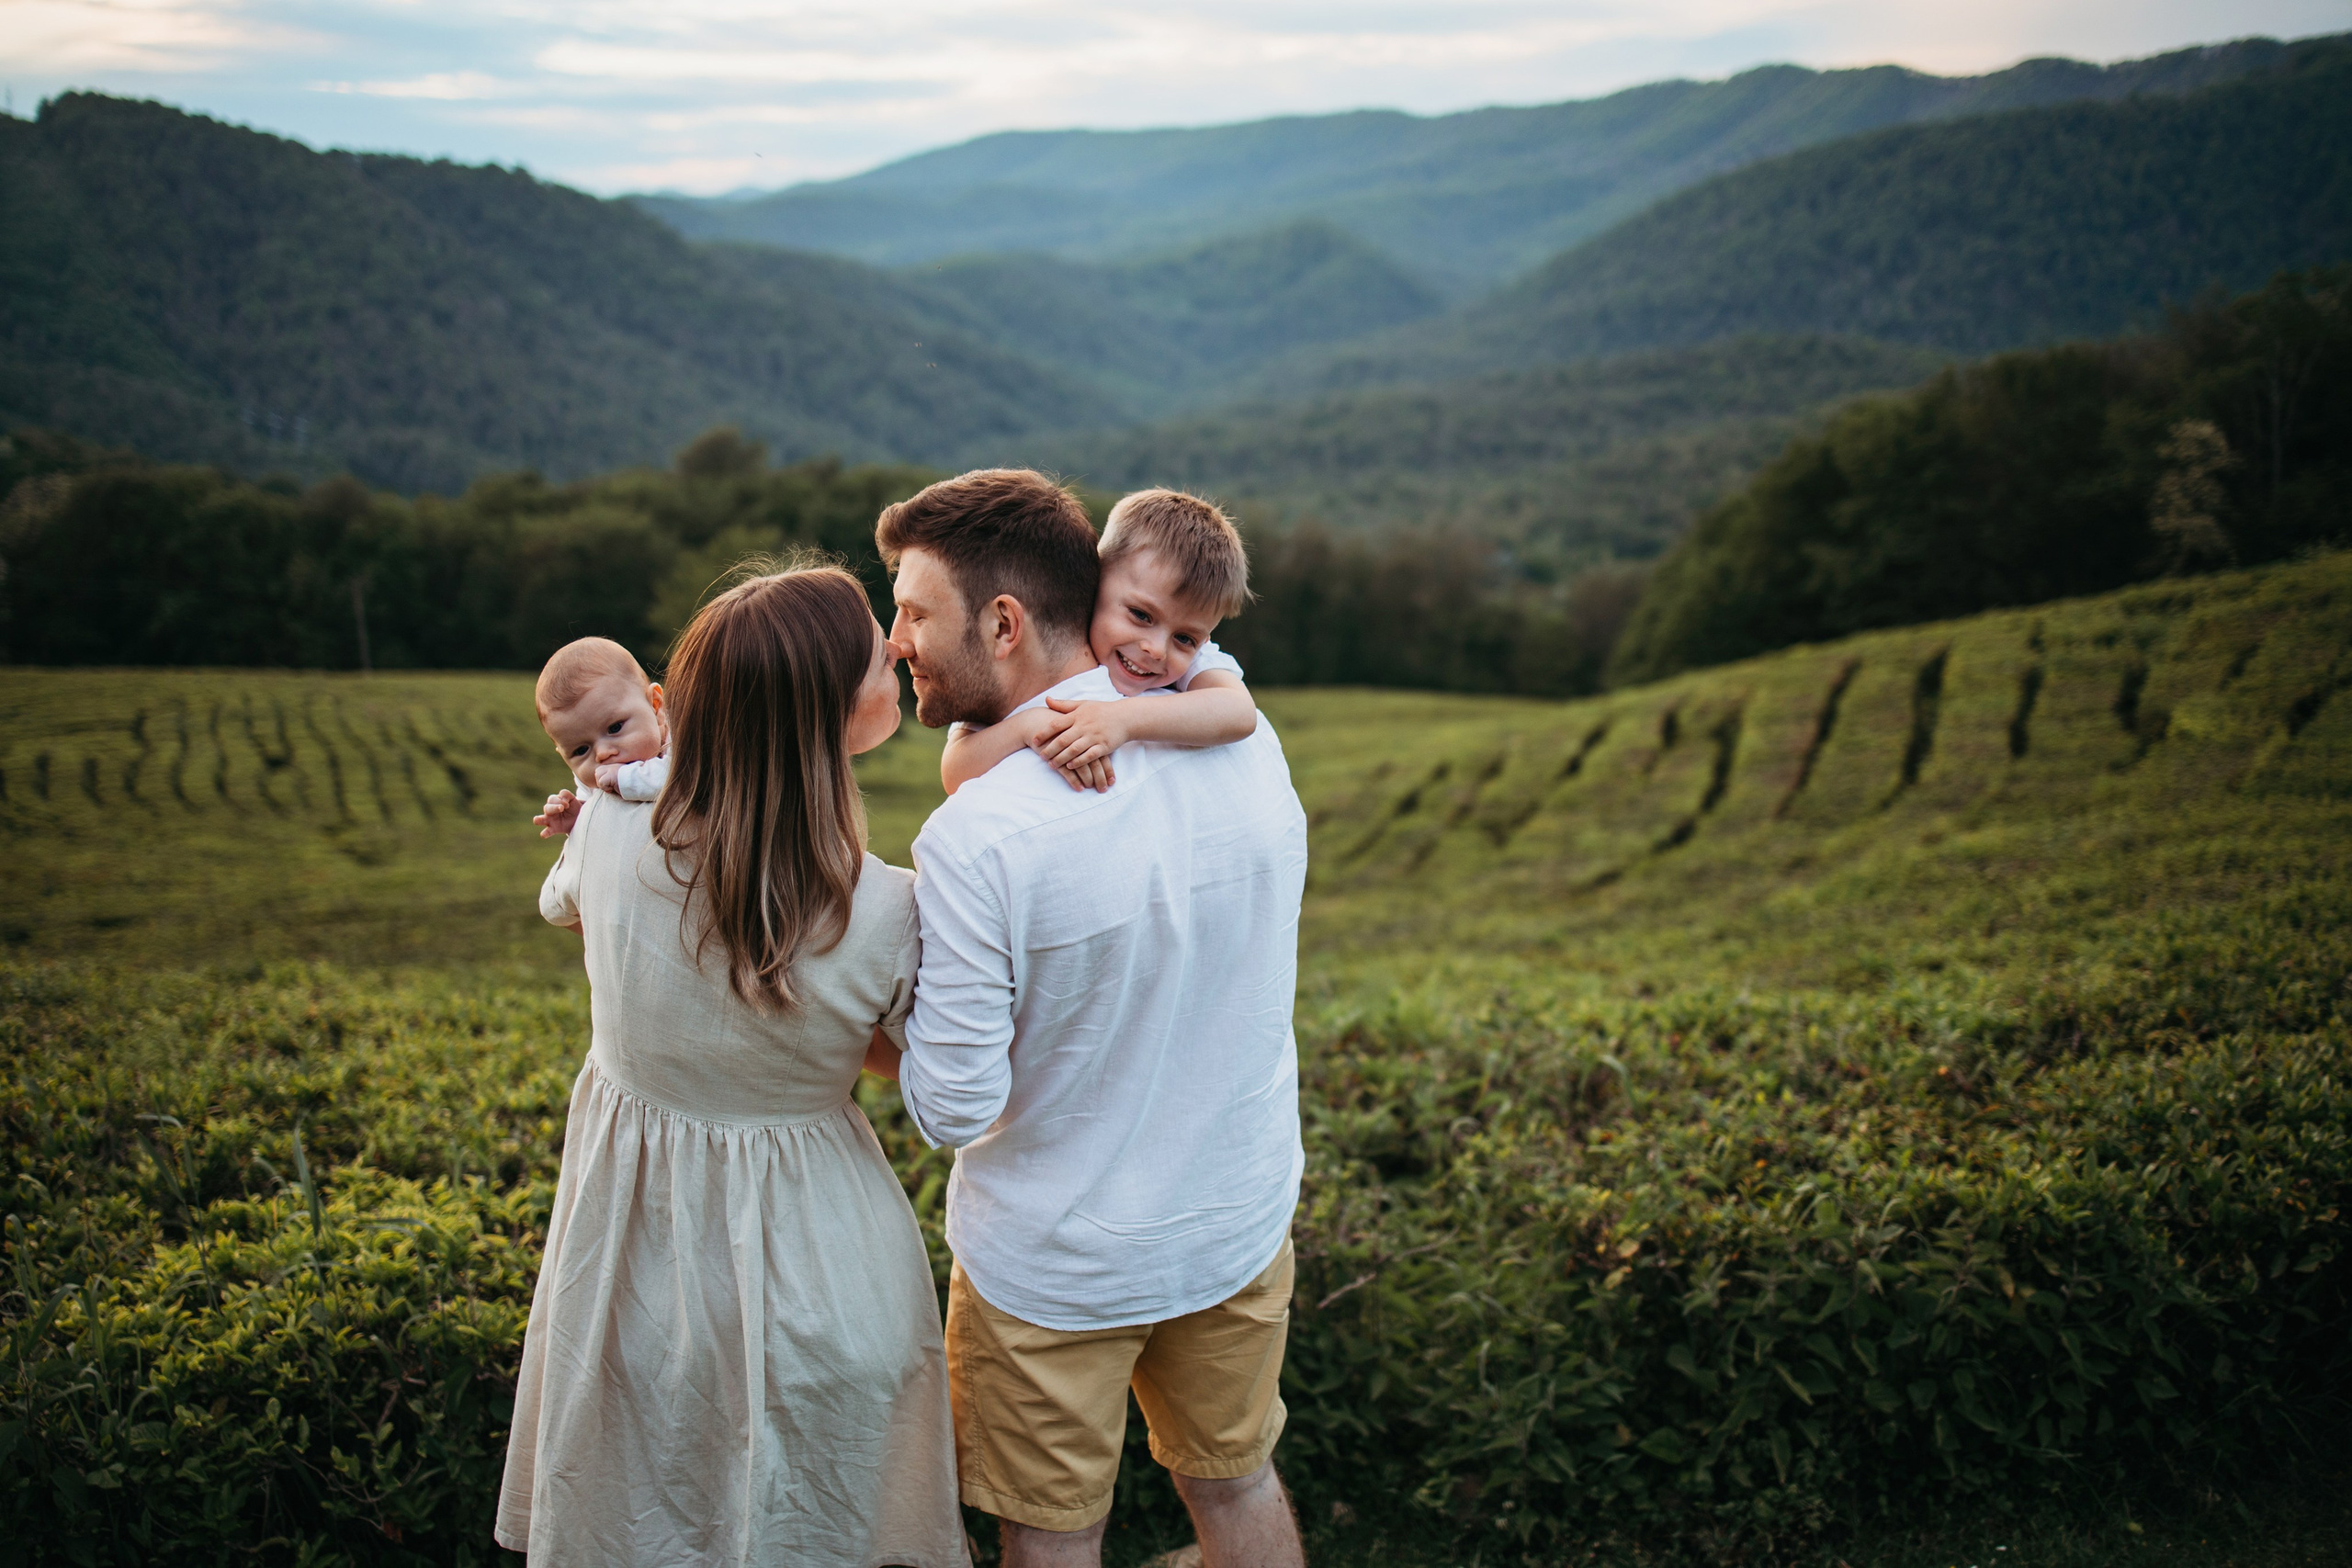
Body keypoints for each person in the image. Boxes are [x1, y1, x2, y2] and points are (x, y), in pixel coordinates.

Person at [870, 469, 1311, 1568]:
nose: (894, 641)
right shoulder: (1246, 742)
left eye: (914, 611)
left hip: (1055, 1264)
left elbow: (955, 1105)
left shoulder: (977, 838)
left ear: (1006, 622)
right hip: (1231, 1219)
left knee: (1053, 1536)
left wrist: (818, 1022)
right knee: (1239, 1483)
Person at [496, 568, 968, 1568]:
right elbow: (885, 1066)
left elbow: (596, 926)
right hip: (822, 1267)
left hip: (630, 1253)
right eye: (871, 649)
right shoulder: (884, 911)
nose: (893, 650)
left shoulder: (606, 826)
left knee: (652, 1515)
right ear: (825, 714)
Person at [937, 488, 1258, 795]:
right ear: (1096, 580)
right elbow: (955, 772)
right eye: (1141, 615)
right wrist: (1025, 726)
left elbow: (1239, 713)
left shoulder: (1198, 662)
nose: (1156, 649)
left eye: (1185, 639)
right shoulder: (1041, 641)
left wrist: (1122, 720)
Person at [529, 637, 671, 839]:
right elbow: (602, 827)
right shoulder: (592, 780)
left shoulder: (682, 741)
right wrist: (579, 817)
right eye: (581, 750)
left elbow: (685, 781)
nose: (602, 754)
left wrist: (625, 778)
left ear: (656, 705)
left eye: (614, 728)